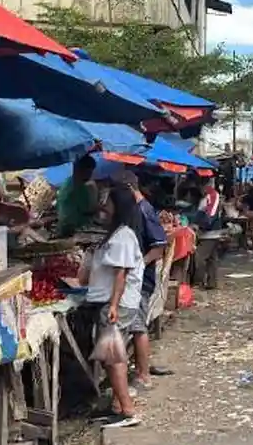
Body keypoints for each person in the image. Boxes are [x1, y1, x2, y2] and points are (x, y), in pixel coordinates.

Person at [78, 186, 144, 428]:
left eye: (108, 202)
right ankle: (118, 405)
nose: (104, 206)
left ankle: (127, 410)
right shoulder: (114, 234)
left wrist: (114, 305)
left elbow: (121, 275)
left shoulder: (124, 236)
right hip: (109, 301)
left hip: (115, 303)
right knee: (113, 356)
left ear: (119, 206)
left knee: (113, 358)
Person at [112, 170, 172, 390]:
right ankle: (140, 370)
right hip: (137, 278)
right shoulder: (137, 210)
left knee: (138, 327)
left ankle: (143, 375)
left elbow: (158, 247)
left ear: (128, 189)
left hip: (141, 281)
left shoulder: (144, 210)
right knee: (137, 326)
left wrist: (136, 266)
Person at [57, 155, 99, 236]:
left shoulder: (69, 182)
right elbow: (88, 210)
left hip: (67, 225)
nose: (90, 175)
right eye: (89, 172)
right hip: (71, 228)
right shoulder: (78, 187)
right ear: (81, 170)